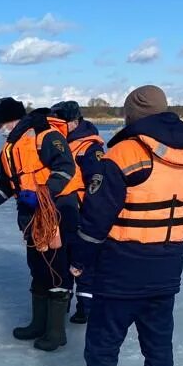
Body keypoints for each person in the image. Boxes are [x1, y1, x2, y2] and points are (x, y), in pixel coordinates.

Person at [61, 85, 183, 366]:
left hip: (121, 271)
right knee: (158, 349)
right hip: (166, 271)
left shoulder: (122, 154)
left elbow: (95, 219)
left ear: (132, 114)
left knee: (103, 348)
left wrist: (79, 262)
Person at [0, 97, 77, 351]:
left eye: (0, 124)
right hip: (30, 217)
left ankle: (56, 332)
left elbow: (67, 168)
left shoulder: (45, 136)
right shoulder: (9, 149)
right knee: (37, 269)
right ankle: (38, 323)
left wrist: (43, 194)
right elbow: (6, 185)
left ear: (12, 120)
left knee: (56, 270)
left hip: (56, 213)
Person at [48, 100, 105, 324]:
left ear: (73, 122)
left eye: (60, 122)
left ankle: (86, 308)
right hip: (61, 211)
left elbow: (98, 182)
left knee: (83, 265)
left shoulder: (90, 147)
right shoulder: (57, 143)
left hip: (81, 213)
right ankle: (61, 305)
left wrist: (91, 212)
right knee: (61, 263)